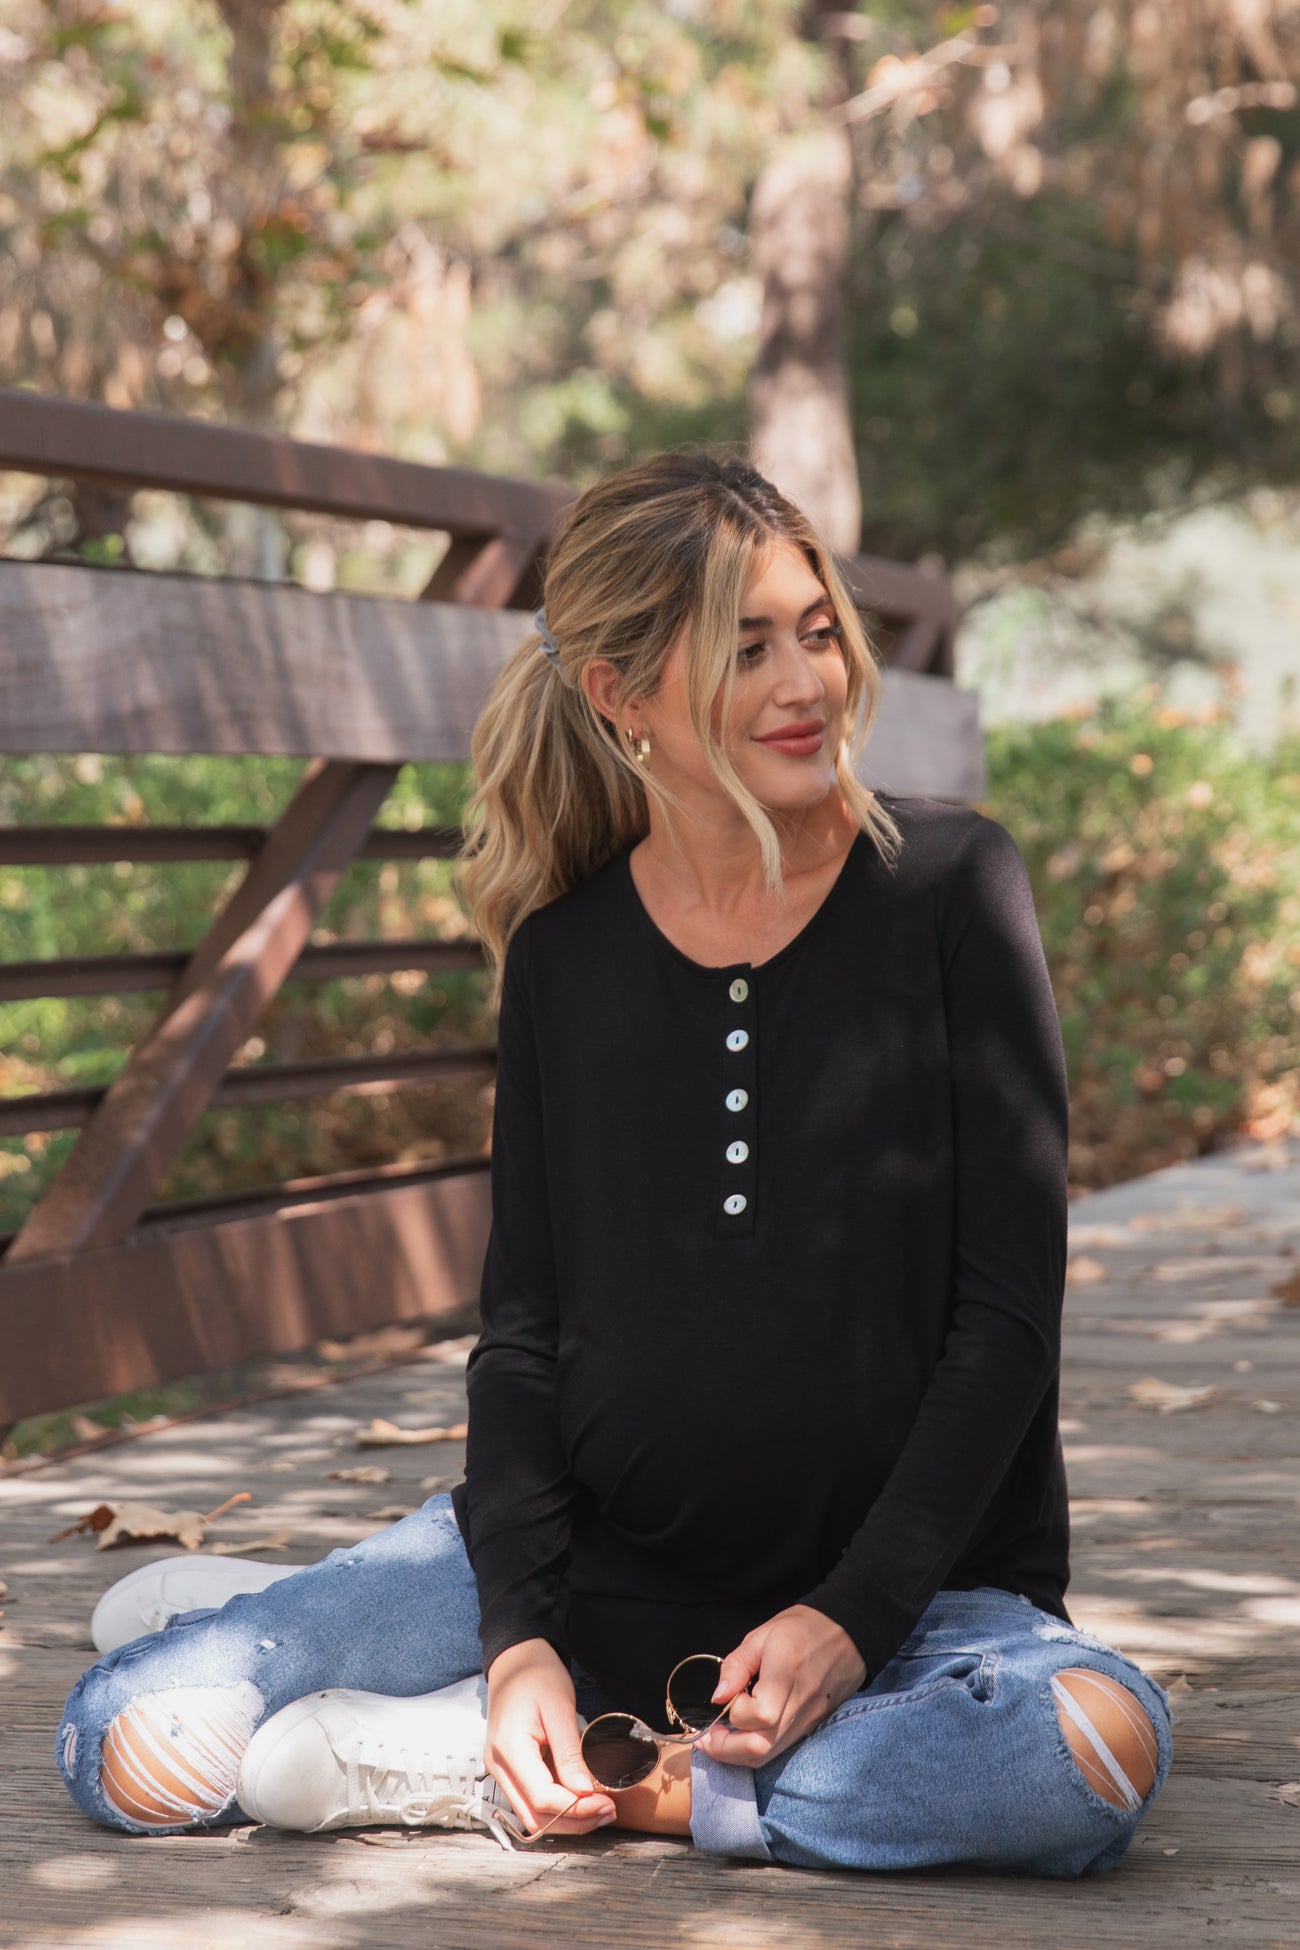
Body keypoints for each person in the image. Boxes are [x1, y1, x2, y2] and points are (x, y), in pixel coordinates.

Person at [55, 452, 1172, 1875]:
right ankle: (415, 1653)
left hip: (918, 1601)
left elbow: (1006, 1319)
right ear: (620, 693)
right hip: (592, 1575)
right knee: (129, 1742)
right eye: (745, 649)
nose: (806, 683)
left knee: (1085, 1755)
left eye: (816, 631)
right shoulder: (565, 956)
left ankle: (601, 1775)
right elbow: (523, 1338)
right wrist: (521, 1636)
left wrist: (851, 1618)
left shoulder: (954, 887)